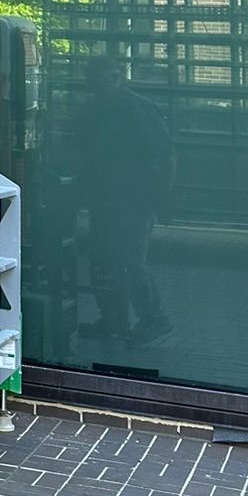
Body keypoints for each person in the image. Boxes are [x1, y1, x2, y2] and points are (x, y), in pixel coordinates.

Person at [69, 55, 174, 348]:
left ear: (118, 76)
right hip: (106, 198)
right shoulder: (93, 110)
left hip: (134, 200)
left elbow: (165, 157)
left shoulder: (138, 110)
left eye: (108, 76)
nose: (101, 83)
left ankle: (153, 317)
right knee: (104, 259)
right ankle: (113, 318)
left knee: (129, 259)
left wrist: (161, 198)